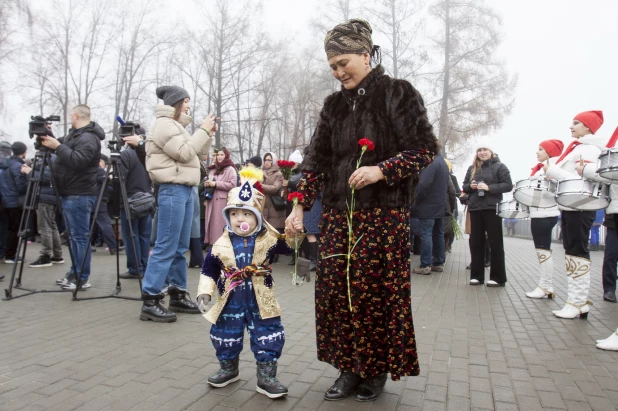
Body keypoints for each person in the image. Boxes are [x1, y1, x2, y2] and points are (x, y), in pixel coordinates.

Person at [286, 19, 437, 402]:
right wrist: (299, 207)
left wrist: (381, 170)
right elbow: (316, 160)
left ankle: (375, 370)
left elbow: (424, 148)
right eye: (333, 67)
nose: (339, 73)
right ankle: (348, 367)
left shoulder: (397, 93)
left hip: (384, 215)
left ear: (366, 55)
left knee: (375, 293)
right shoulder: (333, 105)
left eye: (344, 63)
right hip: (339, 215)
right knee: (338, 291)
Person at [197, 167, 303, 398]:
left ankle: (266, 375)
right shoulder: (220, 244)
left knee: (269, 333)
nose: (240, 219)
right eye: (234, 214)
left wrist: (295, 232)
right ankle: (228, 368)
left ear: (257, 217)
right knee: (225, 333)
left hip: (261, 299)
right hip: (230, 300)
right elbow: (209, 269)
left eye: (246, 214)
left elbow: (290, 246)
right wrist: (205, 292)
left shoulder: (270, 238)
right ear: (228, 218)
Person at [139, 85, 215, 322]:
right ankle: (150, 299)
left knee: (181, 245)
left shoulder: (176, 127)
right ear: (178, 102)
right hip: (172, 189)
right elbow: (184, 153)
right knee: (166, 245)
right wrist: (202, 129)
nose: (190, 105)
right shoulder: (164, 125)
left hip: (185, 188)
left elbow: (197, 155)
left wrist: (207, 134)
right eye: (187, 101)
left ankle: (177, 292)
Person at [545, 110, 605, 319]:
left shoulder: (588, 149)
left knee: (577, 250)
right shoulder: (578, 147)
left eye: (576, 123)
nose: (571, 126)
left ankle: (578, 301)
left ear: (588, 127)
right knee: (572, 250)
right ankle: (576, 301)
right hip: (572, 206)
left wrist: (553, 172)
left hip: (581, 205)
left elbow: (583, 178)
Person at [41, 104, 104, 290]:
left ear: (76, 115)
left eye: (71, 114)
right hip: (72, 192)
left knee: (79, 238)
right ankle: (74, 273)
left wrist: (58, 146)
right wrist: (50, 138)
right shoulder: (76, 135)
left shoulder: (88, 137)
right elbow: (66, 153)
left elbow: (78, 160)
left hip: (79, 193)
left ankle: (82, 278)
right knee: (75, 237)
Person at [462, 140, 513, 287]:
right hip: (475, 208)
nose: (482, 152)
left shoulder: (500, 167)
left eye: (485, 149)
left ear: (491, 152)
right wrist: (470, 187)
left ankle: (498, 277)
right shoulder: (472, 168)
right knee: (476, 243)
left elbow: (508, 185)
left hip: (492, 208)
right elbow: (464, 186)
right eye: (479, 150)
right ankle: (477, 276)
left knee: (495, 242)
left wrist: (489, 187)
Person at [524, 139, 564, 299]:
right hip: (541, 213)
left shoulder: (551, 170)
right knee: (542, 251)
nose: (537, 152)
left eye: (541, 149)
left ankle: (546, 285)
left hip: (544, 214)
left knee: (543, 251)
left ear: (549, 152)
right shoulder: (543, 170)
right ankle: (545, 285)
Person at [118, 129, 152, 280]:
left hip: (130, 200)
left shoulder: (126, 155)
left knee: (131, 236)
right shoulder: (148, 155)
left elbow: (121, 179)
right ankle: (144, 266)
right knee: (144, 236)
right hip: (147, 199)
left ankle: (134, 268)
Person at [23, 148, 65, 268]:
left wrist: (30, 171)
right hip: (47, 196)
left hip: (46, 197)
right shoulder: (49, 158)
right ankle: (57, 255)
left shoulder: (51, 158)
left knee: (44, 227)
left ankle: (46, 255)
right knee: (51, 226)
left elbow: (47, 177)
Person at [284, 149, 321, 276]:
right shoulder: (309, 170)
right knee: (309, 234)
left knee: (310, 233)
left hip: (312, 207)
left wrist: (289, 183)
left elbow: (302, 183)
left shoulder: (312, 171)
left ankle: (313, 260)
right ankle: (312, 260)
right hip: (309, 206)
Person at [411, 153, 449, 274]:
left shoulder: (430, 162)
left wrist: (415, 198)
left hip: (427, 205)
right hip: (439, 204)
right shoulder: (442, 162)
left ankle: (425, 265)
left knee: (426, 234)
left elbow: (423, 184)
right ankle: (438, 263)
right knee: (438, 234)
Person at [0, 142, 29, 264]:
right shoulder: (18, 166)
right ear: (23, 152)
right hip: (15, 201)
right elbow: (21, 186)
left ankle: (6, 252)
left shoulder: (5, 165)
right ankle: (10, 255)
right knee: (15, 229)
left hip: (5, 200)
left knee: (7, 228)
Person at [203, 147, 238, 248]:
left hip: (222, 202)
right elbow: (209, 181)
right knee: (210, 224)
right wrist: (207, 183)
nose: (219, 157)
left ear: (226, 156)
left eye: (222, 154)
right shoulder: (213, 169)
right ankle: (211, 244)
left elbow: (233, 185)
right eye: (218, 155)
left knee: (219, 225)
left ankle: (221, 245)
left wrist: (216, 184)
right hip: (211, 200)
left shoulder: (231, 169)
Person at [93, 154, 122, 255]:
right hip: (99, 200)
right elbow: (104, 181)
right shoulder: (98, 170)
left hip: (89, 198)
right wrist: (109, 178)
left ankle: (87, 246)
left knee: (88, 224)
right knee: (105, 223)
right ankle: (113, 246)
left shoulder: (86, 170)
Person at [261, 152, 285, 235]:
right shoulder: (260, 172)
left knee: (275, 235)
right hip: (263, 208)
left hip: (274, 209)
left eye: (269, 160)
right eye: (265, 160)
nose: (266, 162)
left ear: (274, 161)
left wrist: (260, 186)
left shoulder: (279, 174)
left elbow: (275, 188)